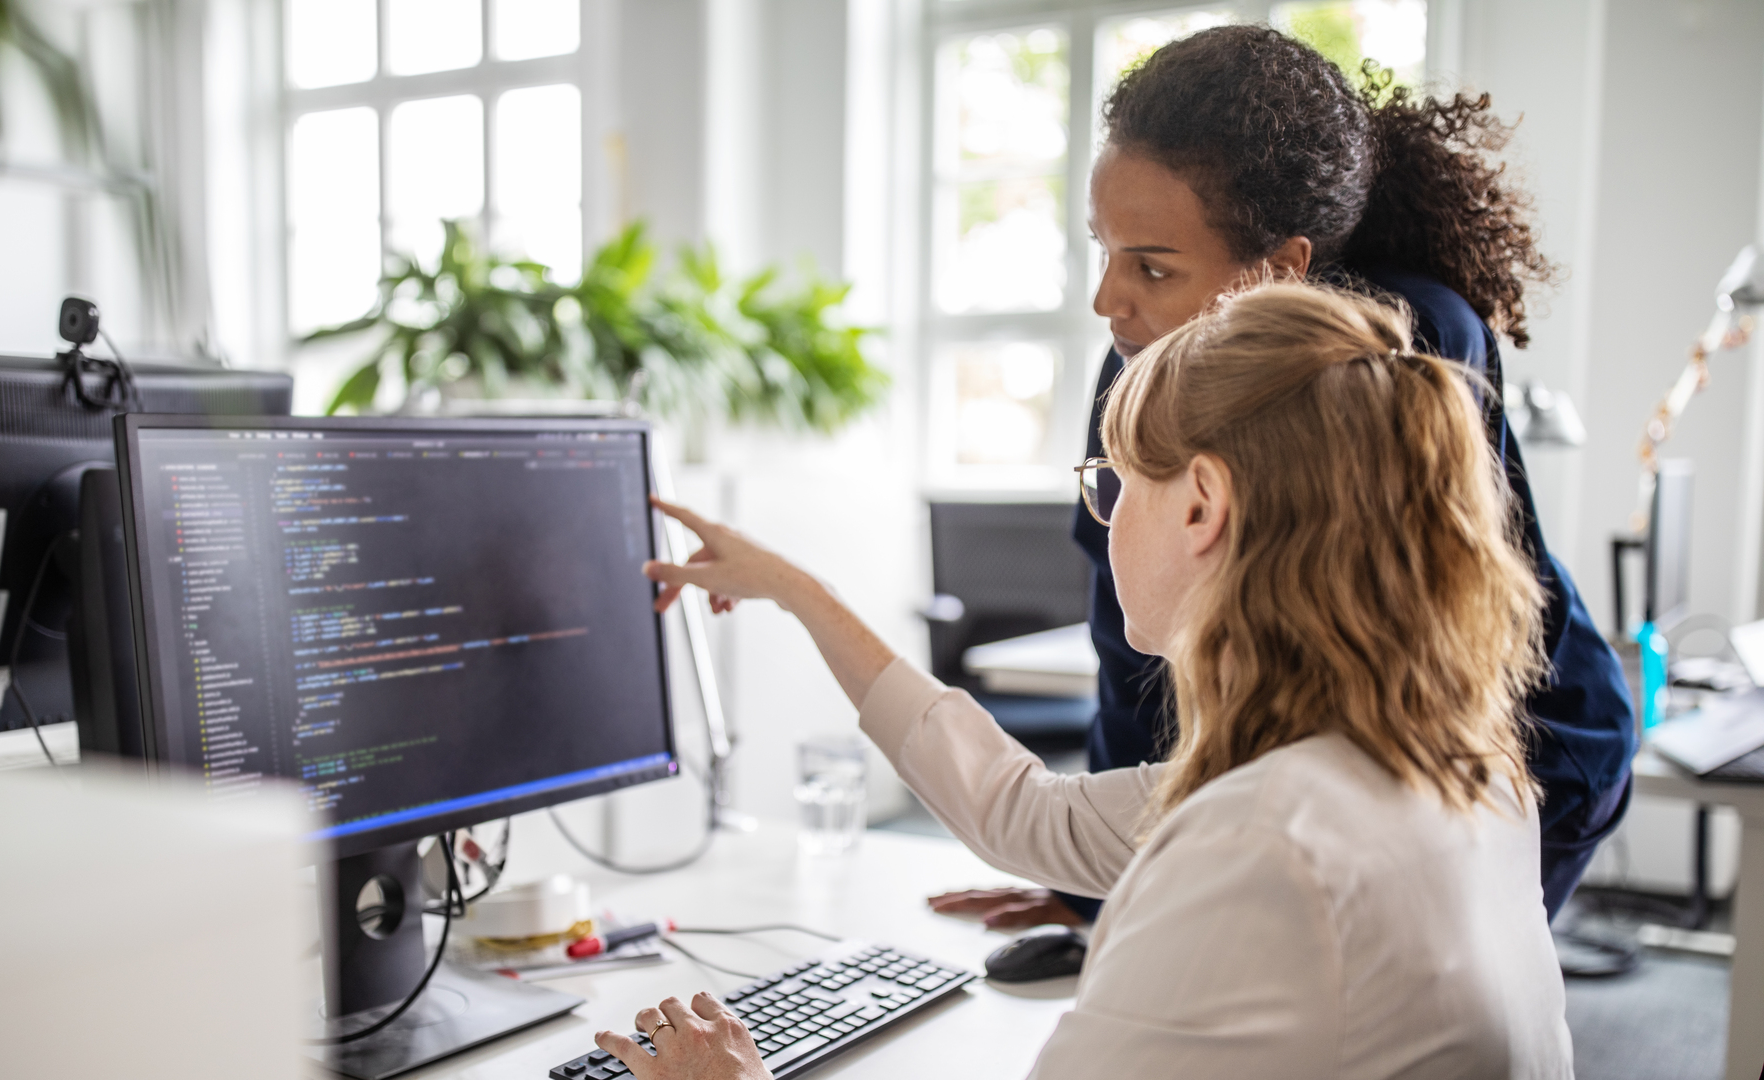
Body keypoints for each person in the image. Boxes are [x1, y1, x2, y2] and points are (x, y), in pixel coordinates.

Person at [597, 282, 1572, 1079]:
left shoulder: (1263, 847)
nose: (1102, 523)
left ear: (1201, 505)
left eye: (1112, 485)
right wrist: (802, 593)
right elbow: (1031, 812)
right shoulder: (1451, 769)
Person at [933, 23, 1634, 933]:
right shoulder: (1138, 359)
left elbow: (1377, 670)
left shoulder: (1402, 344)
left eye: (1152, 265)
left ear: (1283, 267)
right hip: (1322, 777)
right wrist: (1093, 889)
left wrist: (1164, 889)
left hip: (1514, 752)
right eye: (1104, 250)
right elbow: (1130, 648)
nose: (1110, 299)